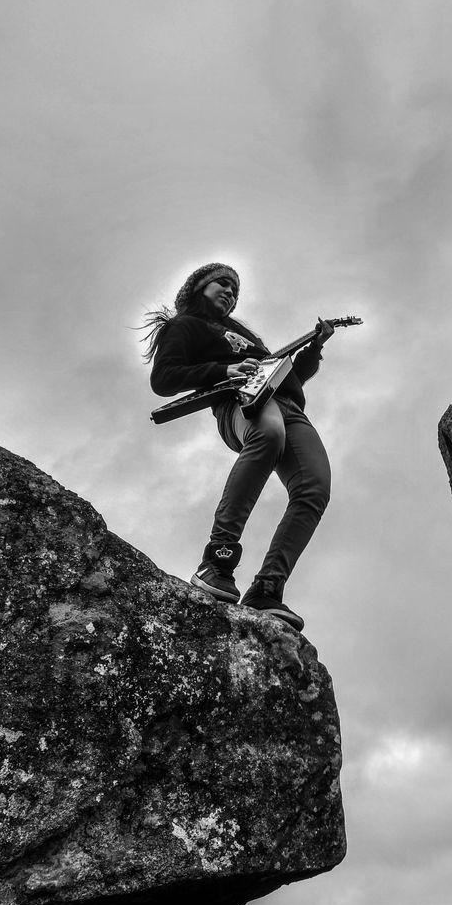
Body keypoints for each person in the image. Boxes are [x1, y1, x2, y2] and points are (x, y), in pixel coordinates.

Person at [142, 262, 334, 631]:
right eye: (223, 283)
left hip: (287, 405)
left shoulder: (245, 337)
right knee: (269, 434)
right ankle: (217, 561)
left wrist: (314, 349)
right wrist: (221, 370)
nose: (230, 292)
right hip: (239, 405)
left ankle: (267, 589)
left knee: (315, 487)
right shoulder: (185, 326)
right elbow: (163, 379)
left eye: (235, 289)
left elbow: (290, 377)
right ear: (199, 287)